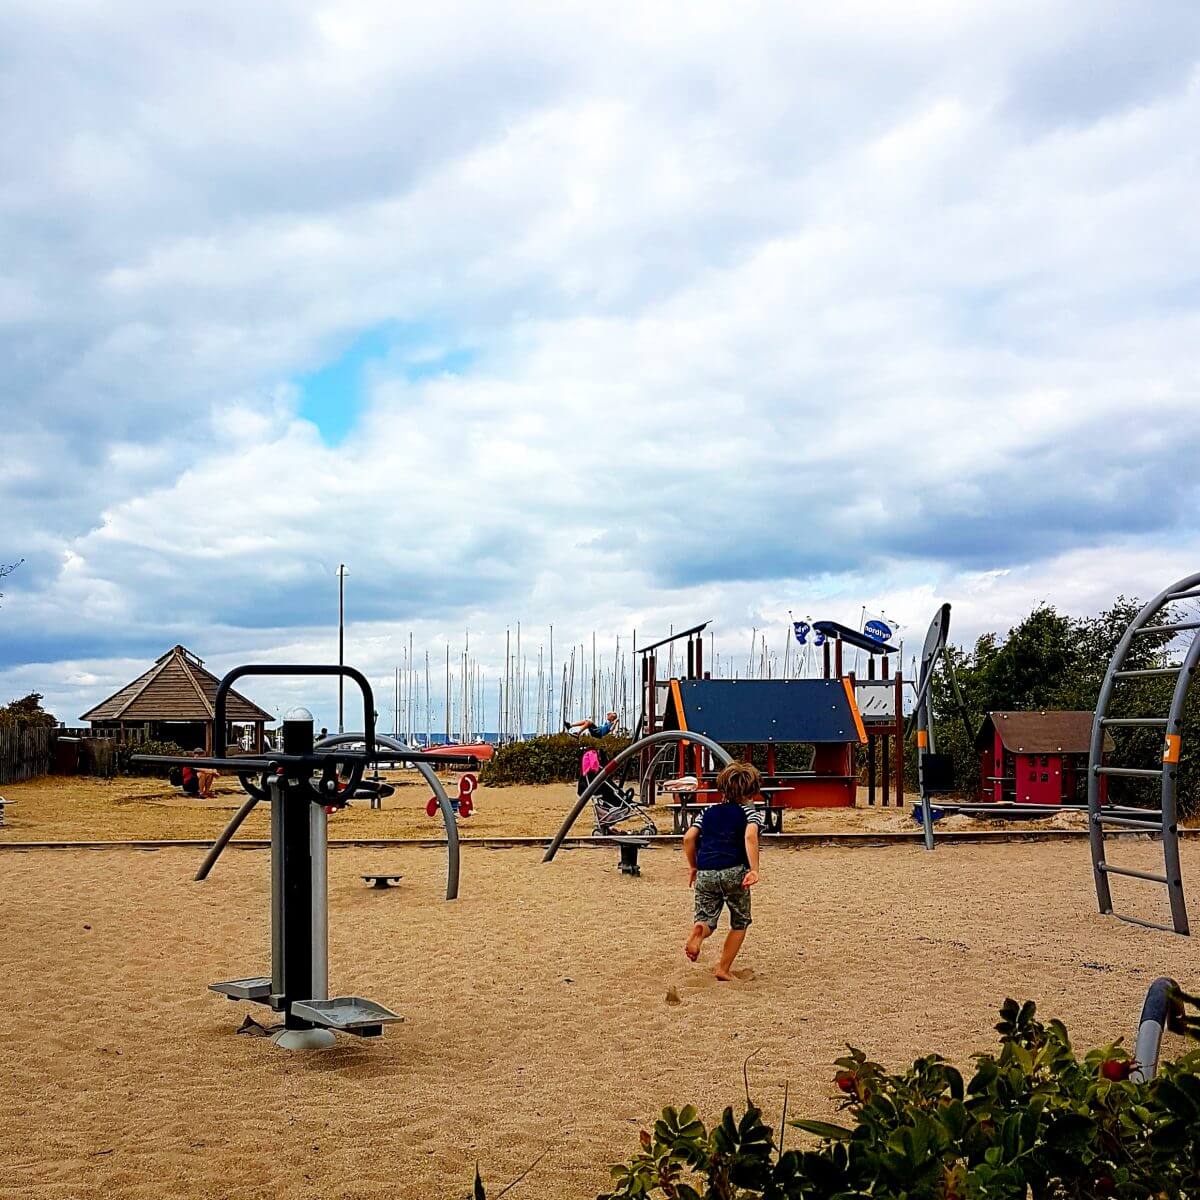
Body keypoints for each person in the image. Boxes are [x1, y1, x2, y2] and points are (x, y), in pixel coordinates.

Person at [682, 761, 763, 980]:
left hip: (706, 871)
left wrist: (693, 866)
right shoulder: (750, 813)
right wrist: (754, 869)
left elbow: (689, 838)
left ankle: (700, 932)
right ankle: (723, 968)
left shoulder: (707, 811)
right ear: (752, 791)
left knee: (706, 918)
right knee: (740, 921)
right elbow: (750, 836)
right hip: (734, 871)